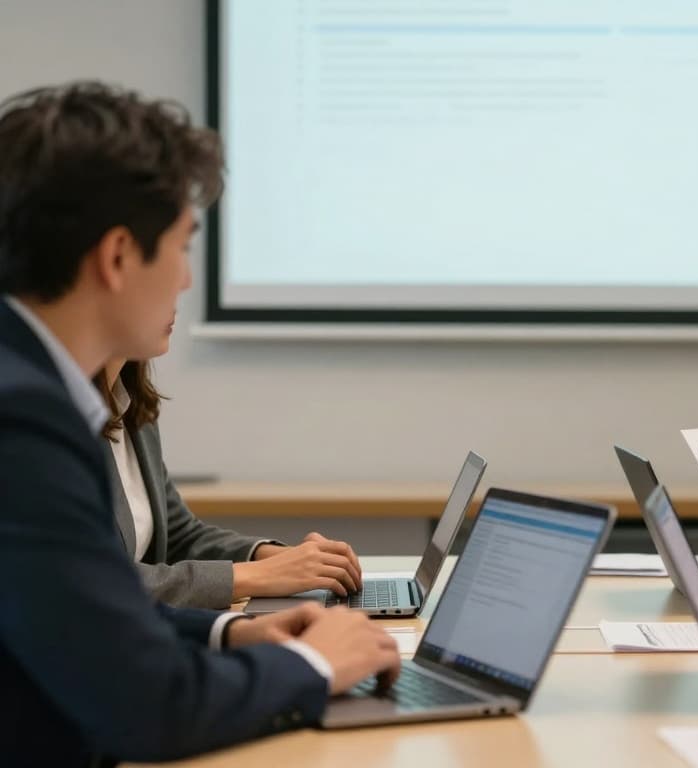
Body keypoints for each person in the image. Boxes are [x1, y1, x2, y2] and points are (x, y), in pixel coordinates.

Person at [0, 82, 400, 765]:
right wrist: (311, 664)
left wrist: (226, 635)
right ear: (119, 256)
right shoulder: (23, 419)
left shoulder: (35, 386)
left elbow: (78, 618)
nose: (187, 280)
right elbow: (147, 708)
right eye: (183, 247)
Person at [97, 358, 367, 609]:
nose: (175, 305)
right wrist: (256, 576)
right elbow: (95, 576)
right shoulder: (62, 425)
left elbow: (180, 537)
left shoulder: (130, 403)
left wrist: (282, 558)